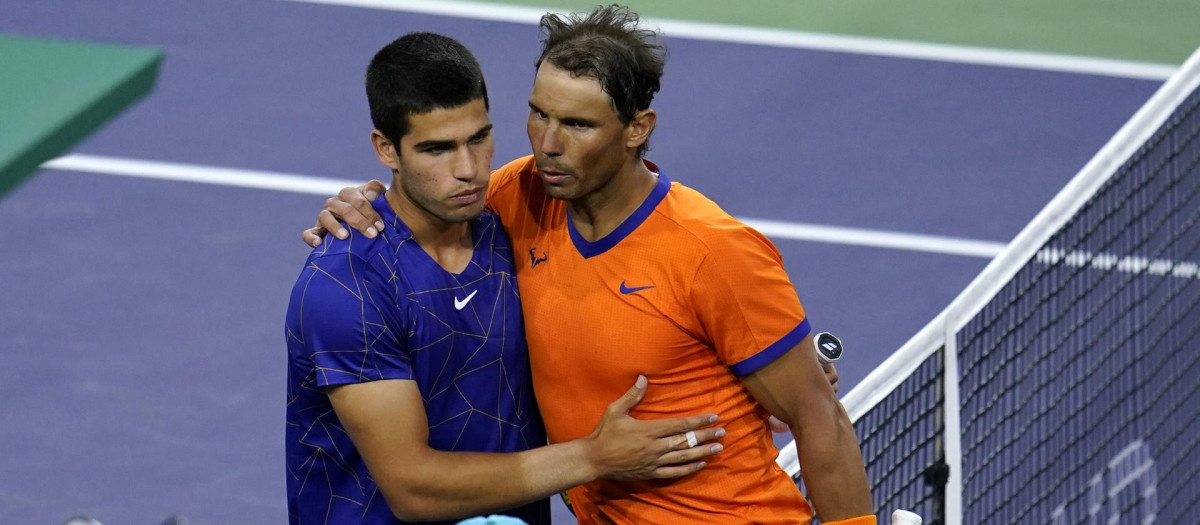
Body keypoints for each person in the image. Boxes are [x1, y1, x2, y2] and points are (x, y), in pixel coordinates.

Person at [303, 6, 875, 524]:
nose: (548, 144)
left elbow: (819, 416)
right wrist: (360, 206)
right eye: (537, 114)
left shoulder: (711, 248)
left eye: (577, 125)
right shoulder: (513, 197)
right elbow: (417, 205)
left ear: (636, 129)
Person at [285, 32, 728, 525]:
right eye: (437, 149)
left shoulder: (516, 227)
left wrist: (752, 367)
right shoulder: (347, 287)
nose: (469, 169)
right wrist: (593, 457)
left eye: (479, 138)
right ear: (386, 149)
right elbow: (414, 490)